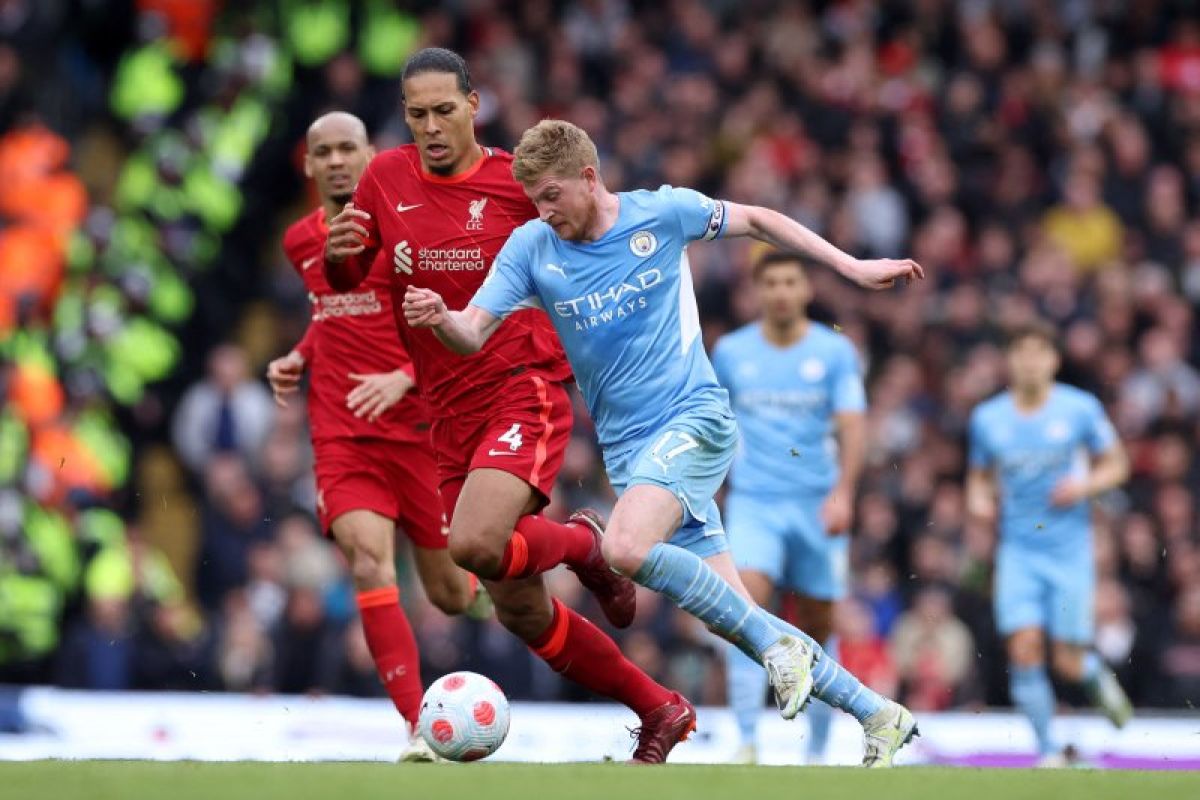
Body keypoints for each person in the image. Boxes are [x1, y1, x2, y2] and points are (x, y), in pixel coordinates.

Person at [407, 118, 921, 767]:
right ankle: (878, 714)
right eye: (534, 199)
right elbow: (471, 331)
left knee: (622, 547)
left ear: (589, 179)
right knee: (733, 616)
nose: (543, 211)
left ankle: (779, 650)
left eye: (552, 195)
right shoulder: (532, 248)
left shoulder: (664, 212)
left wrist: (851, 265)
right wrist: (441, 319)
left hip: (694, 420)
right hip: (633, 456)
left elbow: (760, 219)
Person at [322, 49, 693, 764]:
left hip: (521, 386)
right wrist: (341, 252)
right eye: (417, 113)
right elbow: (354, 270)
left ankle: (586, 543)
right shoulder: (384, 177)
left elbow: (597, 235)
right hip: (446, 410)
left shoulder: (516, 186)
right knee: (520, 608)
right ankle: (659, 708)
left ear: (473, 104)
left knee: (472, 547)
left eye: (444, 110)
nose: (431, 126)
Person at [266, 111, 489, 762]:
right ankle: (417, 726)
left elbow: (456, 329)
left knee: (452, 595)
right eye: (323, 152)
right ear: (308, 165)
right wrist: (302, 355)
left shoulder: (412, 235)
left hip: (420, 432)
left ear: (371, 157)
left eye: (348, 149)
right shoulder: (300, 240)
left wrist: (401, 377)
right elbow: (330, 313)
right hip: (343, 433)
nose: (336, 161)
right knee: (368, 557)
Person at [713, 251, 866, 764]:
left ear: (805, 291)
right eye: (771, 283)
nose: (780, 291)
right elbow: (714, 424)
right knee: (744, 611)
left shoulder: (834, 352)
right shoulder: (732, 353)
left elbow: (852, 425)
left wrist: (845, 492)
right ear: (758, 292)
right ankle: (746, 740)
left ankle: (817, 751)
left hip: (817, 506)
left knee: (818, 628)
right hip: (755, 502)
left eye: (790, 282)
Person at [967, 321, 1134, 767]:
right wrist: (981, 503)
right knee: (1023, 648)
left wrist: (1082, 486)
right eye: (1021, 353)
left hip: (1069, 555)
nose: (1029, 362)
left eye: (1039, 353)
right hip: (1018, 553)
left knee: (1067, 661)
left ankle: (1096, 675)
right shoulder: (988, 419)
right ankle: (1047, 751)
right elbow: (978, 480)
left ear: (1053, 361)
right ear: (1009, 361)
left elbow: (1117, 464)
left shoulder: (1080, 409)